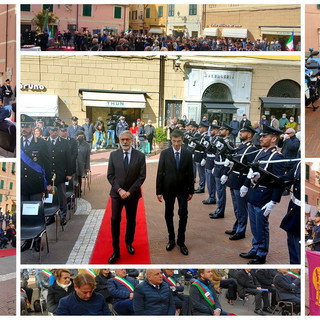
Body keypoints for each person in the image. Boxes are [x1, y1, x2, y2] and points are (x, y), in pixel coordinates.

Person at [239, 125, 285, 264]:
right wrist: (246, 185)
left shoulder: (276, 156)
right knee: (254, 225)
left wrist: (274, 201)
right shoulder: (260, 152)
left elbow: (278, 182)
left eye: (265, 136)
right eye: (261, 136)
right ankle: (255, 247)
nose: (261, 138)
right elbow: (251, 172)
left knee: (261, 226)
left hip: (264, 196)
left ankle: (261, 253)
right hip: (253, 193)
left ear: (273, 138)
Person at [107, 130, 146, 264]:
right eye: (122, 139)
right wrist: (119, 190)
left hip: (132, 195)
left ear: (132, 141)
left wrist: (129, 192)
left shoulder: (140, 156)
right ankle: (116, 250)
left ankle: (129, 242)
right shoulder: (113, 155)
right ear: (119, 141)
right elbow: (110, 175)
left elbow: (141, 177)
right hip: (117, 194)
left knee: (131, 220)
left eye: (127, 139)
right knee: (114, 219)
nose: (125, 142)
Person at [156, 129, 194, 255]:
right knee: (169, 214)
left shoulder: (188, 154)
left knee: (183, 213)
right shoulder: (165, 154)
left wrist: (191, 190)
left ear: (182, 140)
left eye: (178, 141)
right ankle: (171, 239)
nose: (176, 144)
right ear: (171, 141)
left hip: (183, 190)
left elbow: (190, 173)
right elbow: (160, 172)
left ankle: (181, 241)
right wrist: (159, 191)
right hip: (168, 189)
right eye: (174, 141)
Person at [224, 126, 258, 240]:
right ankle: (237, 226)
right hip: (234, 179)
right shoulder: (241, 147)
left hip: (241, 181)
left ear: (249, 135)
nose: (240, 133)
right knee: (236, 207)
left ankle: (241, 230)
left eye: (243, 132)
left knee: (241, 208)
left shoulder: (252, 149)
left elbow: (251, 169)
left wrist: (246, 184)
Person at [47, 120, 73, 226]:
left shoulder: (65, 142)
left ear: (58, 131)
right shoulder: (44, 143)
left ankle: (63, 215)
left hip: (61, 174)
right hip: (48, 175)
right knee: (50, 197)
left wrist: (69, 173)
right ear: (49, 131)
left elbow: (69, 159)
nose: (54, 132)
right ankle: (51, 216)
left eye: (56, 130)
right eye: (52, 130)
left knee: (61, 196)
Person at [20, 114, 51, 201]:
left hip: (35, 185)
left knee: (35, 211)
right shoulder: (16, 143)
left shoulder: (42, 143)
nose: (23, 129)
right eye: (22, 127)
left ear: (33, 127)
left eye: (26, 126)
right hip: (21, 185)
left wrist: (48, 183)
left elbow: (47, 164)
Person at [280, 161, 301, 264]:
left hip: (301, 211)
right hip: (293, 208)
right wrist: (262, 177)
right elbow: (286, 178)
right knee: (292, 243)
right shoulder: (299, 163)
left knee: (298, 248)